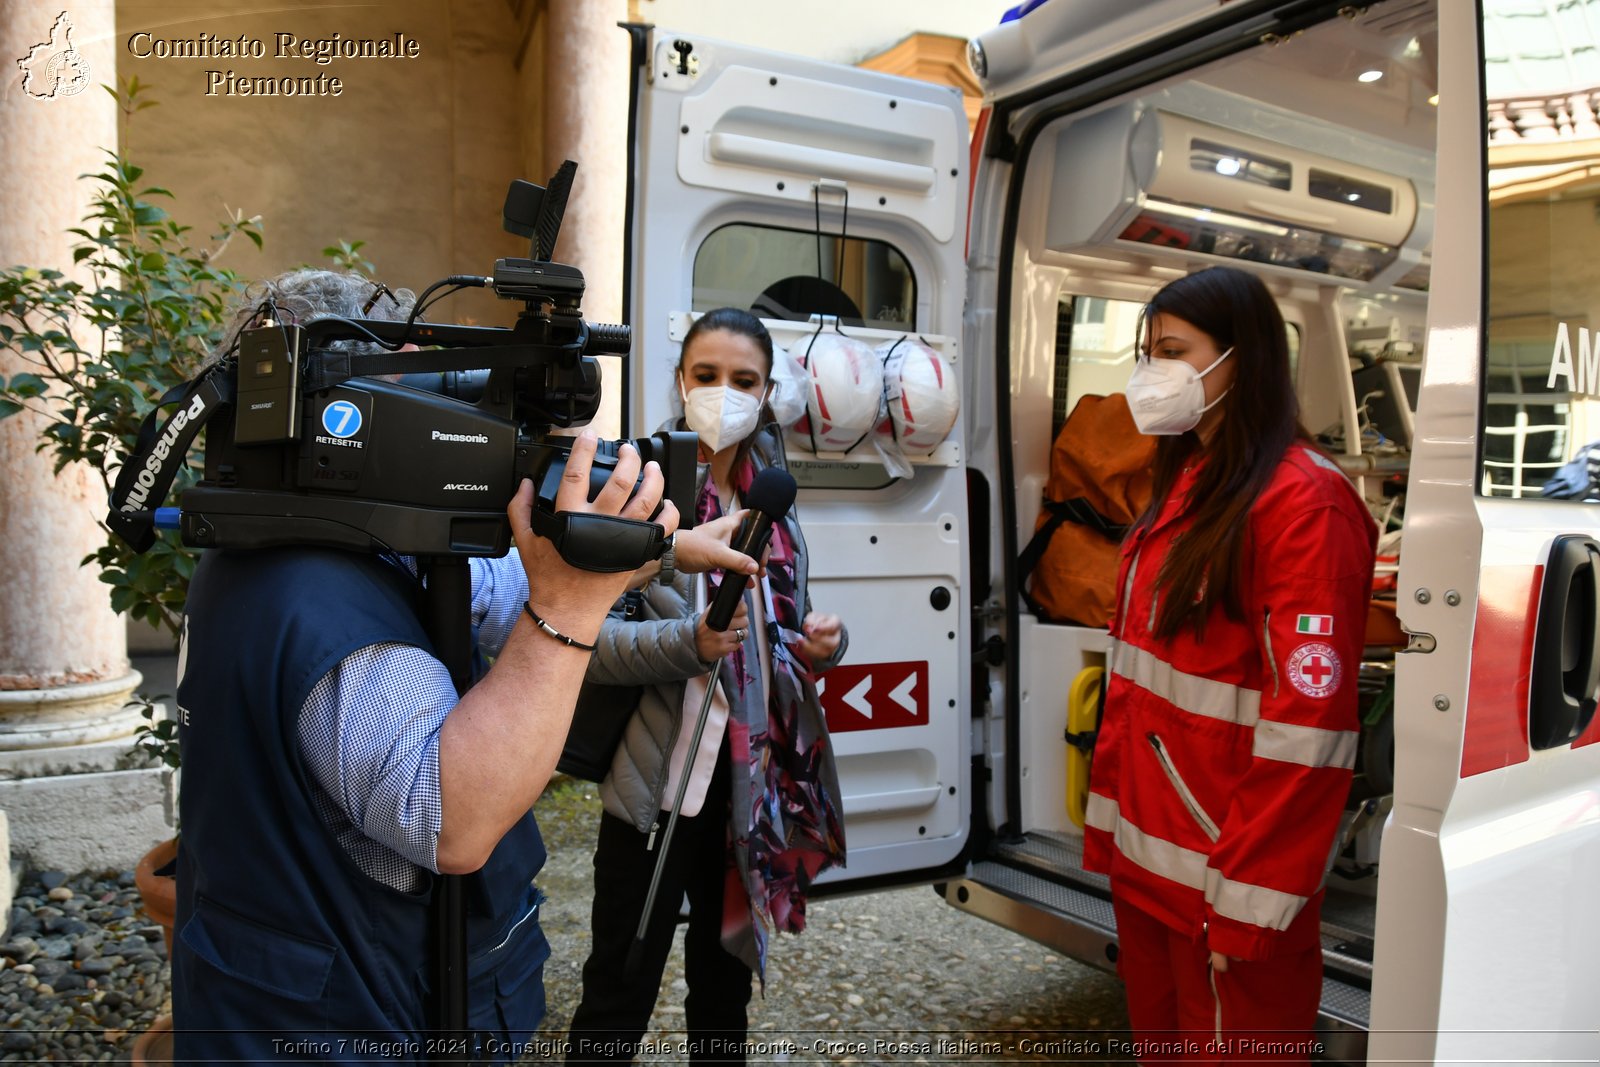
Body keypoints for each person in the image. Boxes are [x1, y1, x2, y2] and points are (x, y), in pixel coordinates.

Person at [169, 271, 756, 1063]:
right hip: (349, 1023)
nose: (437, 411)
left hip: (285, 993)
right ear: (338, 403)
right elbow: (453, 821)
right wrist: (571, 609)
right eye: (415, 381)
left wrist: (660, 545)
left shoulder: (291, 532)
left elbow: (492, 582)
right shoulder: (324, 599)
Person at [1082, 266, 1376, 1062]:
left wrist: (1250, 900)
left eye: (1173, 351)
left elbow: (1307, 732)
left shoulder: (1303, 505)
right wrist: (1110, 839)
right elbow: (1143, 689)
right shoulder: (1189, 484)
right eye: (1148, 352)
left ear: (1240, 361)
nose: (1153, 373)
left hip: (1228, 883)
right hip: (1154, 872)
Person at [566, 307, 848, 1064]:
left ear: (767, 391)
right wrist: (687, 644)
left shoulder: (776, 503)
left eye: (744, 379)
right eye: (707, 375)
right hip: (653, 789)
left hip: (745, 794)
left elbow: (777, 640)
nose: (725, 392)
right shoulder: (636, 488)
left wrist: (824, 644)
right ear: (680, 381)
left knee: (723, 993)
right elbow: (587, 645)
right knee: (619, 987)